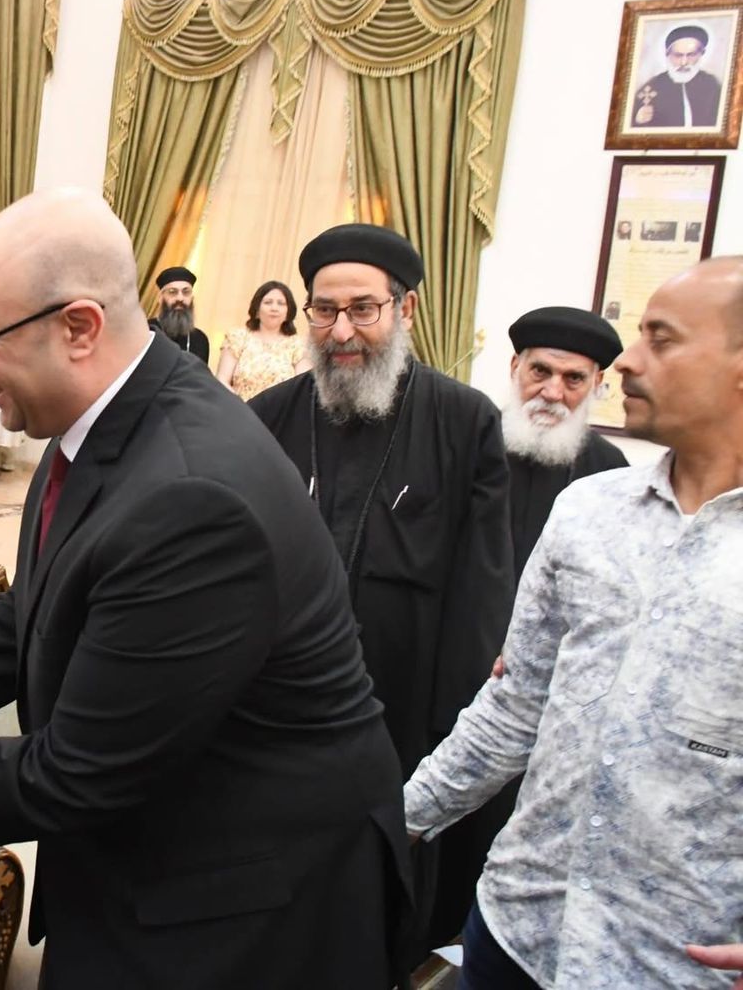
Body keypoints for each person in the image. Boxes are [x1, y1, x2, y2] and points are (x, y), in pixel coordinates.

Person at [0, 189, 412, 988]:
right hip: (147, 860)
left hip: (241, 908)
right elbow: (25, 616)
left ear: (80, 327)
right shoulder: (102, 422)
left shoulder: (192, 499)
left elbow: (82, 772)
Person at [404, 256, 743, 989]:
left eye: (662, 339)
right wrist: (399, 818)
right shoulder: (591, 511)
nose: (631, 362)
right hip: (514, 929)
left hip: (671, 965)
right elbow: (516, 705)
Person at [247, 223, 514, 951]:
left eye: (362, 309)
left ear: (406, 308)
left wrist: (449, 738)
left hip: (404, 719)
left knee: (373, 909)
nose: (341, 331)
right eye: (324, 310)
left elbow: (482, 597)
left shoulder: (465, 422)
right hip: (276, 713)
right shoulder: (265, 419)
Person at [503, 306, 629, 578]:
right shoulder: (472, 441)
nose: (552, 393)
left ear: (596, 382)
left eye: (574, 378)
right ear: (515, 367)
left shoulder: (609, 468)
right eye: (540, 371)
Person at [215, 279, 311, 400]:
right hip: (238, 407)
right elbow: (222, 380)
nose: (274, 308)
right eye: (268, 302)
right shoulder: (237, 337)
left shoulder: (298, 345)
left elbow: (301, 389)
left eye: (281, 303)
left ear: (288, 312)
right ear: (257, 309)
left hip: (279, 411)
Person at [632, 24, 723, 129]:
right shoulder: (652, 86)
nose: (684, 62)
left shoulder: (712, 84)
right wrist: (638, 120)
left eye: (691, 55)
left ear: (701, 54)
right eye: (678, 55)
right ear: (667, 54)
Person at [146, 265, 210, 363]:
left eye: (186, 292)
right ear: (160, 298)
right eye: (172, 292)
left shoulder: (200, 340)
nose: (180, 298)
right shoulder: (146, 331)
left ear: (192, 298)